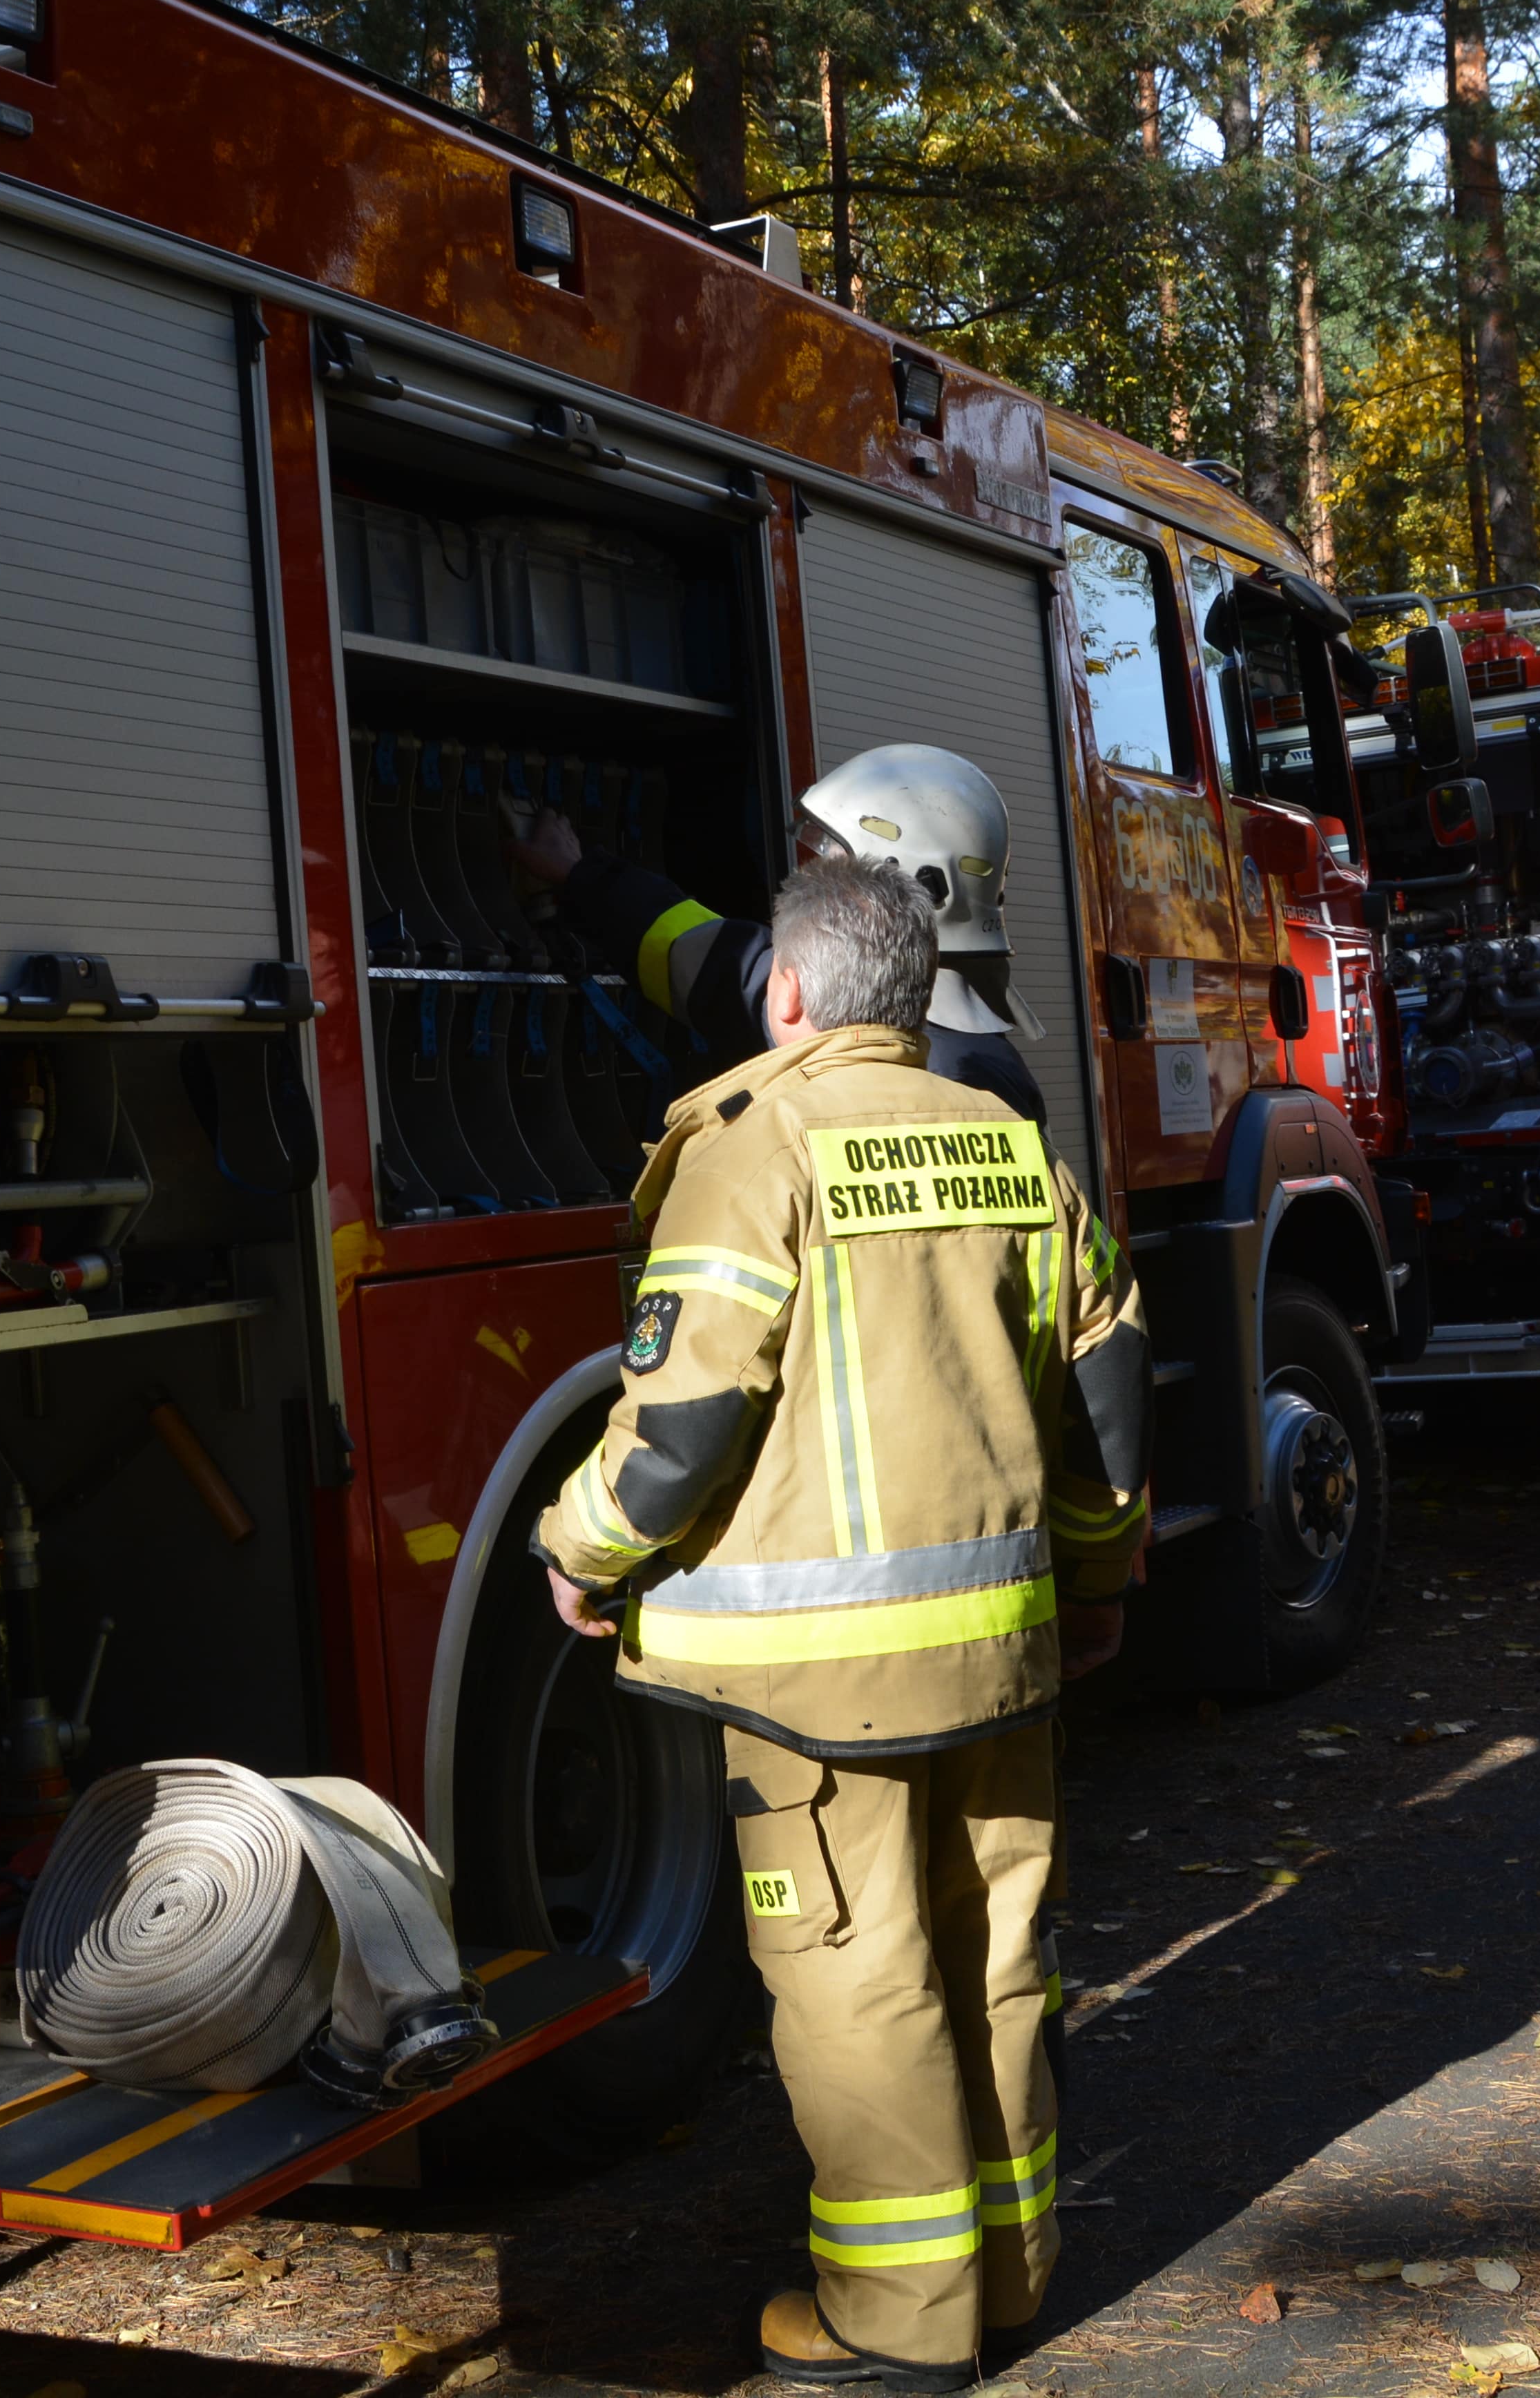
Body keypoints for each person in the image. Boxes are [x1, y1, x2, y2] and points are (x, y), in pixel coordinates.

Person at [532, 853, 1148, 2392]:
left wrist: (579, 1547)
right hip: (1002, 1657)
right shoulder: (1006, 1141)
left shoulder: (757, 1145)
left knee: (857, 1977)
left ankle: (895, 2326)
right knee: (998, 1953)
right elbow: (1106, 1386)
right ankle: (1010, 2280)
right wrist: (1103, 1582)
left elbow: (682, 1422)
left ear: (789, 992)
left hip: (823, 1693)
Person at [511, 742, 1048, 1124]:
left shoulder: (928, 1062)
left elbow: (721, 966)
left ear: (918, 884)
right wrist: (582, 877)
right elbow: (723, 961)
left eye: (839, 863)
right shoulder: (977, 1056)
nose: (817, 876)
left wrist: (580, 875)